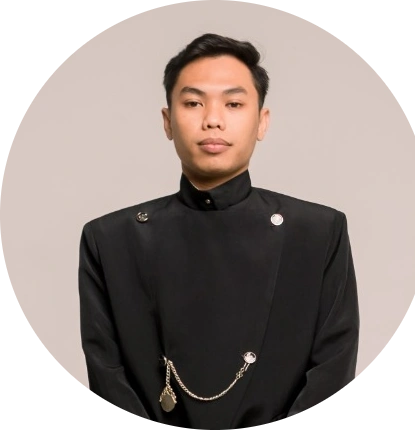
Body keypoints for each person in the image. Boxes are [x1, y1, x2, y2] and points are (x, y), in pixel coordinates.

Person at [78, 33, 359, 428]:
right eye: (193, 103)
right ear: (167, 122)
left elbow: (332, 374)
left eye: (234, 103)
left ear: (262, 121)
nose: (213, 119)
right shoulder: (110, 240)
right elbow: (108, 380)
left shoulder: (318, 233)